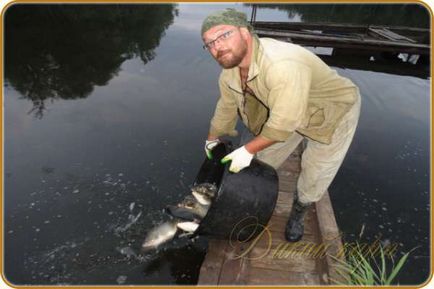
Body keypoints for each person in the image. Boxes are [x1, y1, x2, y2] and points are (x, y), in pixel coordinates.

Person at [201, 9, 361, 242]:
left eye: (224, 36)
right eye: (209, 43)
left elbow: (283, 124)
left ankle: (299, 210)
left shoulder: (280, 65)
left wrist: (246, 150)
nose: (217, 48)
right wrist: (212, 138)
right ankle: (255, 196)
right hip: (289, 108)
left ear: (245, 33)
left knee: (315, 172)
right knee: (263, 159)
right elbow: (226, 108)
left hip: (332, 110)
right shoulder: (230, 73)